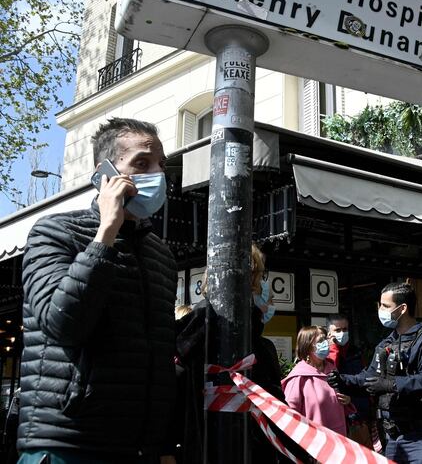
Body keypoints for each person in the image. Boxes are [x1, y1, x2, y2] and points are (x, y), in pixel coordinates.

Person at [18, 118, 178, 463]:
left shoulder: (161, 256)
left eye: (161, 164)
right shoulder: (55, 232)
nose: (157, 174)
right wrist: (106, 233)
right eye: (141, 163)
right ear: (104, 173)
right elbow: (62, 324)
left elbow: (160, 357)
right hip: (68, 443)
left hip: (139, 448)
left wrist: (163, 444)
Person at [173, 244, 284, 464]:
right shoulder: (260, 349)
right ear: (251, 281)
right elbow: (276, 411)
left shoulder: (183, 339)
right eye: (260, 276)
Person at [328, 282, 422, 464]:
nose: (380, 310)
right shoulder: (386, 343)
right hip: (392, 438)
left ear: (403, 308)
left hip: (420, 438)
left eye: (385, 306)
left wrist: (391, 384)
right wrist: (344, 381)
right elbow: (368, 378)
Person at [282, 326, 354, 435]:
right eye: (320, 341)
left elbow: (340, 400)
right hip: (314, 442)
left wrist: (347, 400)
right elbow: (290, 415)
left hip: (338, 439)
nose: (325, 343)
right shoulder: (298, 377)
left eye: (325, 339)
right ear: (308, 346)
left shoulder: (332, 369)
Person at [325, 314, 376, 449]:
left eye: (345, 329)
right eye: (338, 330)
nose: (342, 333)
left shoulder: (356, 352)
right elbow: (330, 375)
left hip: (360, 416)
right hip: (339, 418)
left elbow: (365, 380)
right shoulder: (325, 354)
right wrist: (333, 349)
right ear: (329, 333)